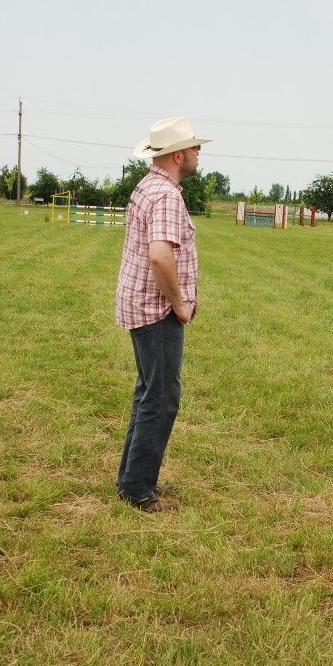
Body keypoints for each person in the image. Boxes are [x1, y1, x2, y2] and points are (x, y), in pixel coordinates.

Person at [114, 117, 210, 513]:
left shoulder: (149, 186)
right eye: (194, 147)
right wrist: (179, 303)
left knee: (148, 394)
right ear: (177, 155)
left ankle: (133, 481)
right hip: (157, 310)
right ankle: (138, 490)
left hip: (140, 305)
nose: (198, 152)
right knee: (161, 398)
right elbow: (159, 255)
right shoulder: (167, 195)